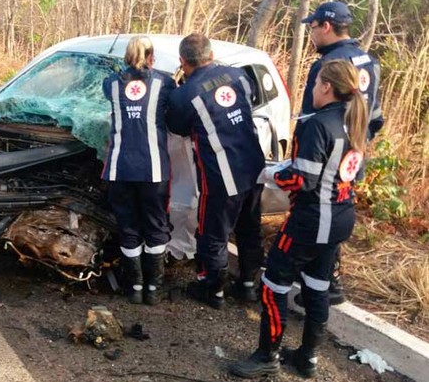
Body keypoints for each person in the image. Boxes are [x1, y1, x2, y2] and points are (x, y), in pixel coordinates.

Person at [229, 59, 368, 379]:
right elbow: (348, 172)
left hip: (312, 219)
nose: (312, 89)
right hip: (341, 215)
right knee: (318, 286)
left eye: (315, 82)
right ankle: (308, 357)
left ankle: (267, 355)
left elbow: (301, 180)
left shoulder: (317, 124)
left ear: (326, 87)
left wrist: (273, 174)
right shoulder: (354, 119)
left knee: (273, 284)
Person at [167, 33, 265, 309]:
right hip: (254, 165)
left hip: (222, 173)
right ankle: (247, 284)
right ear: (211, 54)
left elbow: (178, 129)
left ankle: (213, 289)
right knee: (249, 226)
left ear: (183, 61)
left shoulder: (185, 94)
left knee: (213, 232)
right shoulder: (238, 76)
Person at [298, 0, 384, 306]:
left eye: (312, 27)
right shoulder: (369, 60)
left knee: (316, 216)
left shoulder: (328, 66)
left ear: (326, 26)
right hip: (352, 158)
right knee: (337, 211)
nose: (310, 34)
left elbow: (310, 119)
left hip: (324, 156)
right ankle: (327, 281)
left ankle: (316, 286)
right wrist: (356, 144)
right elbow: (375, 116)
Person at [101, 35, 176, 306]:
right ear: (152, 57)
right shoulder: (165, 82)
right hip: (152, 170)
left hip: (120, 168)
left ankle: (134, 287)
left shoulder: (110, 83)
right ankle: (153, 289)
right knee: (155, 225)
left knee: (128, 226)